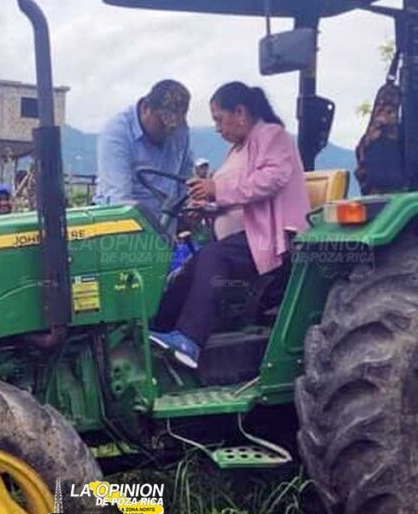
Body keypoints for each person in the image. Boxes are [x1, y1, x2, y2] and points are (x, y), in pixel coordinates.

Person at [149, 82, 311, 369]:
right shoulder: (239, 148)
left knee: (213, 257)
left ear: (240, 112)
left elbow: (271, 179)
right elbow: (234, 194)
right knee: (192, 266)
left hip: (272, 237)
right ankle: (156, 330)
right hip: (244, 236)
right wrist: (208, 206)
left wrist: (216, 189)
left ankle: (190, 340)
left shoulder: (273, 136)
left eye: (219, 119)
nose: (218, 128)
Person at [93, 79, 195, 222]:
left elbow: (185, 179)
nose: (168, 131)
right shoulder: (116, 133)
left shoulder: (180, 131)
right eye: (162, 123)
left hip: (166, 223)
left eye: (174, 127)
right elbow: (119, 200)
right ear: (146, 108)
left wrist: (190, 204)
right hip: (124, 223)